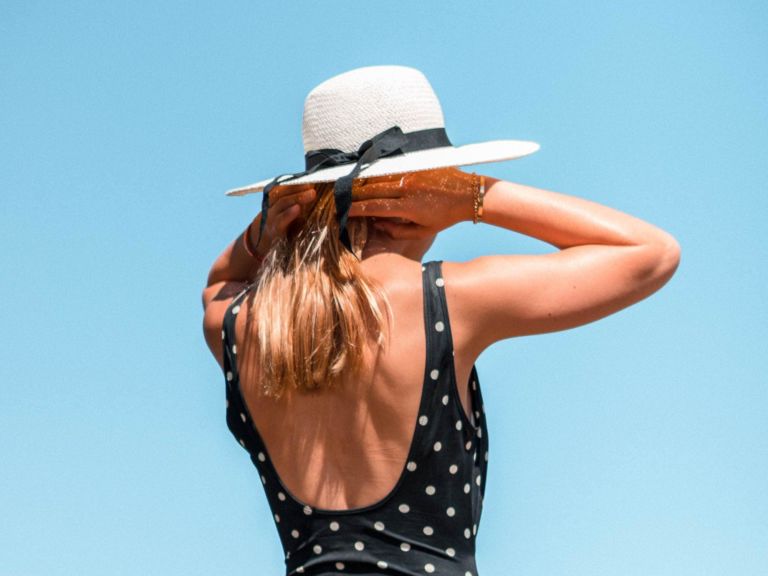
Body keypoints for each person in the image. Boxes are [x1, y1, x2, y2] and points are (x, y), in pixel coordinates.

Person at [202, 66, 680, 576]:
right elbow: (651, 253)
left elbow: (216, 284)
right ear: (423, 190)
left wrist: (268, 231)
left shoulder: (244, 324)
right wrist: (473, 197)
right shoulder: (446, 301)